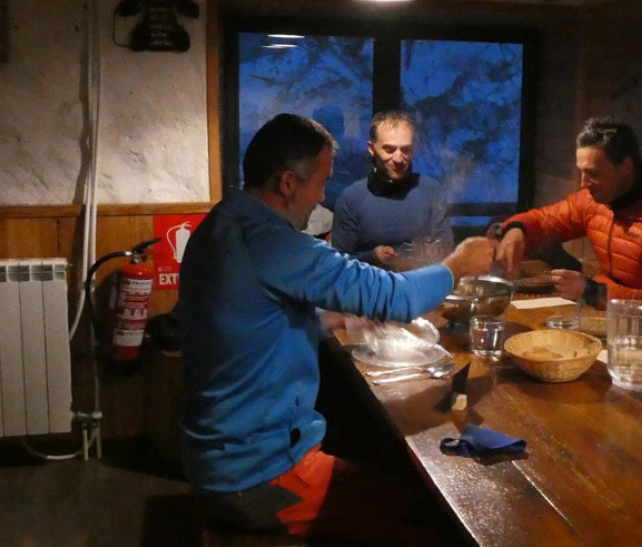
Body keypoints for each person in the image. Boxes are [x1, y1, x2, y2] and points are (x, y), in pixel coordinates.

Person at [177, 113, 493, 543]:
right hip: (256, 475)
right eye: (320, 183)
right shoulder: (271, 242)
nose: (322, 197)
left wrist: (332, 317)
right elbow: (395, 297)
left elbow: (252, 316)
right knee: (433, 529)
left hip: (222, 455)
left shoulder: (222, 224)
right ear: (288, 183)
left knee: (409, 491)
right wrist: (458, 265)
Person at [494, 117, 642, 308]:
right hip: (607, 311)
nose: (583, 183)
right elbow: (546, 220)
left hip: (641, 323)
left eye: (593, 174)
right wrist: (517, 230)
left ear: (626, 167)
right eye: (581, 172)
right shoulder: (592, 201)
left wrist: (592, 291)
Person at [332, 110, 453, 266]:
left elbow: (446, 252)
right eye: (389, 150)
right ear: (371, 148)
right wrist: (372, 256)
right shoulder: (351, 199)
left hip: (422, 279)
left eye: (406, 150)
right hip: (370, 280)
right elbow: (338, 264)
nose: (398, 159)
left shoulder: (432, 191)